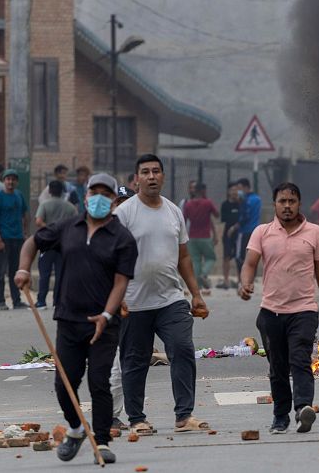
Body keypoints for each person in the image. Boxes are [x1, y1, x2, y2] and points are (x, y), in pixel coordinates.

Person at [14, 173, 137, 465]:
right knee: (63, 382)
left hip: (104, 324)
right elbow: (32, 242)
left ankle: (103, 441)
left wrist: (107, 315)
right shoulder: (68, 227)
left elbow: (121, 282)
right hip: (68, 319)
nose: (98, 198)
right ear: (85, 197)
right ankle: (77, 428)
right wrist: (22, 269)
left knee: (99, 382)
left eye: (105, 194)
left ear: (113, 201)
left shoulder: (122, 238)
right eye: (93, 192)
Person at [114, 154, 210, 435]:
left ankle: (184, 414)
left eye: (156, 171)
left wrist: (196, 294)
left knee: (182, 348)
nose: (152, 176)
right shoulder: (125, 213)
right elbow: (111, 257)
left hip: (171, 299)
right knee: (134, 360)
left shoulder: (173, 212)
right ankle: (136, 418)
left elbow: (184, 257)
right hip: (134, 302)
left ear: (163, 176)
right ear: (137, 179)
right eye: (145, 172)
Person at [239, 182, 319, 434]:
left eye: (292, 201)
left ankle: (303, 408)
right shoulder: (262, 232)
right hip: (271, 312)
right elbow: (250, 262)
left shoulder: (314, 232)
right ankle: (280, 416)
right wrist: (245, 283)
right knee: (277, 367)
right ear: (275, 205)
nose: (287, 206)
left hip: (303, 310)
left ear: (299, 204)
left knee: (300, 360)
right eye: (282, 201)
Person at [109, 185, 137, 431]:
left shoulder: (137, 233)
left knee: (130, 360)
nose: (121, 208)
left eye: (125, 202)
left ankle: (132, 413)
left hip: (141, 304)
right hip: (114, 306)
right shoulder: (105, 236)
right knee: (117, 361)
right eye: (117, 203)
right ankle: (110, 415)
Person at [34, 180, 79, 308]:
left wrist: (49, 228)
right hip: (63, 244)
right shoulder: (69, 206)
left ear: (49, 191)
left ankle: (41, 301)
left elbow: (38, 221)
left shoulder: (44, 205)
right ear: (63, 192)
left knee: (44, 273)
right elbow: (75, 222)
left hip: (46, 244)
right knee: (61, 273)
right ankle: (57, 300)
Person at [0, 169, 29, 310]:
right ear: (4, 181)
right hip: (4, 239)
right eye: (8, 179)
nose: (10, 182)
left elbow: (25, 213)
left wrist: (25, 232)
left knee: (15, 271)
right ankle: (1, 301)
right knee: (0, 272)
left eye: (13, 179)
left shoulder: (19, 195)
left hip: (17, 238)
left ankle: (17, 300)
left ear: (17, 182)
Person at [182, 182, 219, 291]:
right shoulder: (207, 203)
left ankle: (197, 286)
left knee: (195, 260)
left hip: (192, 237)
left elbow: (184, 220)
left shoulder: (188, 204)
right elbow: (217, 215)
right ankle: (204, 274)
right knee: (211, 258)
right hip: (205, 236)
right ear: (203, 191)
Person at [217, 182, 242, 289]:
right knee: (226, 257)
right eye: (232, 190)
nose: (234, 192)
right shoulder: (225, 205)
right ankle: (226, 280)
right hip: (227, 234)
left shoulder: (241, 204)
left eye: (236, 190)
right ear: (228, 192)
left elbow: (243, 218)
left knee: (239, 257)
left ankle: (240, 280)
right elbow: (223, 220)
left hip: (238, 234)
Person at [236, 178, 262, 268]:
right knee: (252, 256)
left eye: (240, 188)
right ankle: (251, 278)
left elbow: (245, 216)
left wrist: (236, 226)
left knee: (240, 256)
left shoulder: (246, 200)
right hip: (254, 231)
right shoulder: (258, 199)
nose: (238, 191)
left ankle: (242, 279)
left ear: (246, 187)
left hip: (244, 231)